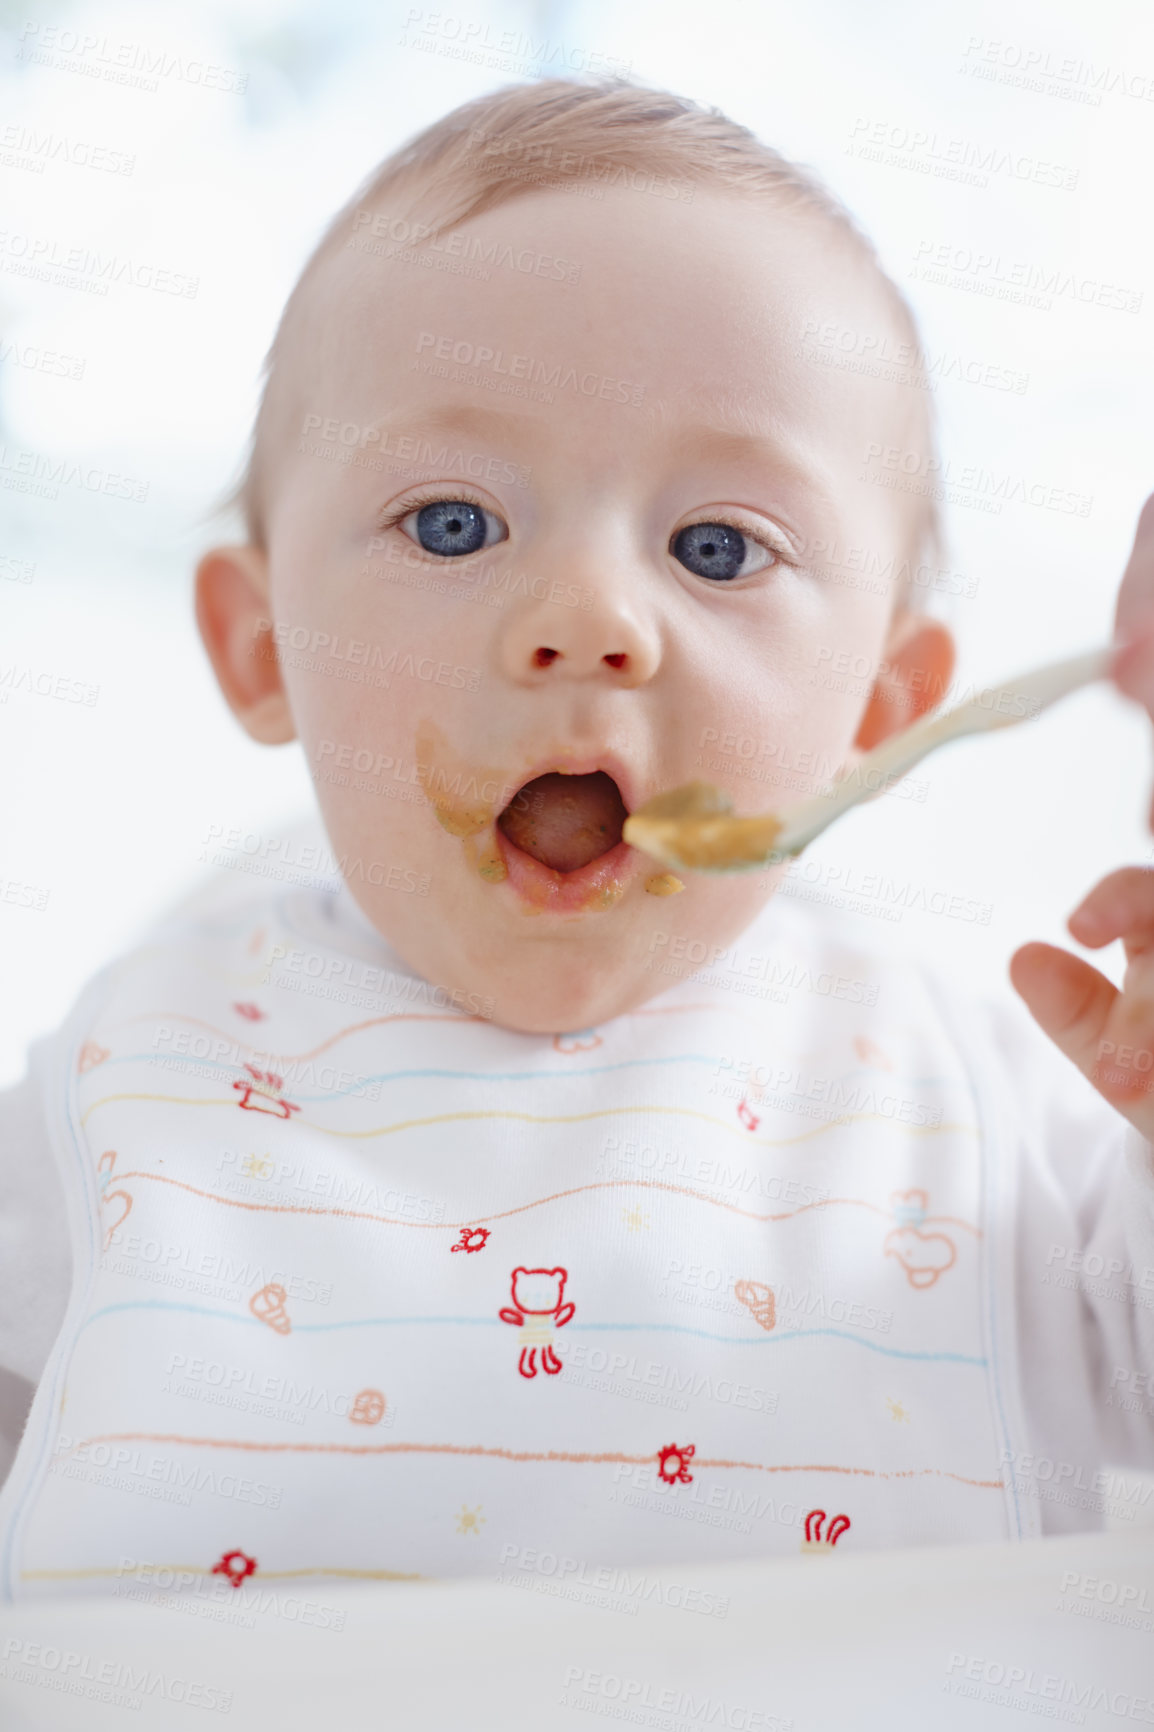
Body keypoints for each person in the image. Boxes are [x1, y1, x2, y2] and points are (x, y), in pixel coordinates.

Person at [1, 76, 1151, 1607]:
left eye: (716, 548)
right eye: (455, 525)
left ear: (879, 709)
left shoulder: (980, 1100)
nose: (590, 623)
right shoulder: (135, 1060)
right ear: (263, 645)